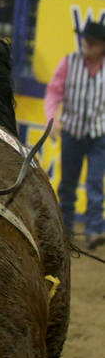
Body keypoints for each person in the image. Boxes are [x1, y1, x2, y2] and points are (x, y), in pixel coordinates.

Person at [44, 20, 105, 246]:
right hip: (72, 131)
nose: (86, 43)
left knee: (95, 182)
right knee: (68, 184)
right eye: (85, 39)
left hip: (100, 133)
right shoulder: (69, 63)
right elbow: (53, 93)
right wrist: (52, 120)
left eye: (92, 41)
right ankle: (66, 230)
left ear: (102, 45)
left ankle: (94, 230)